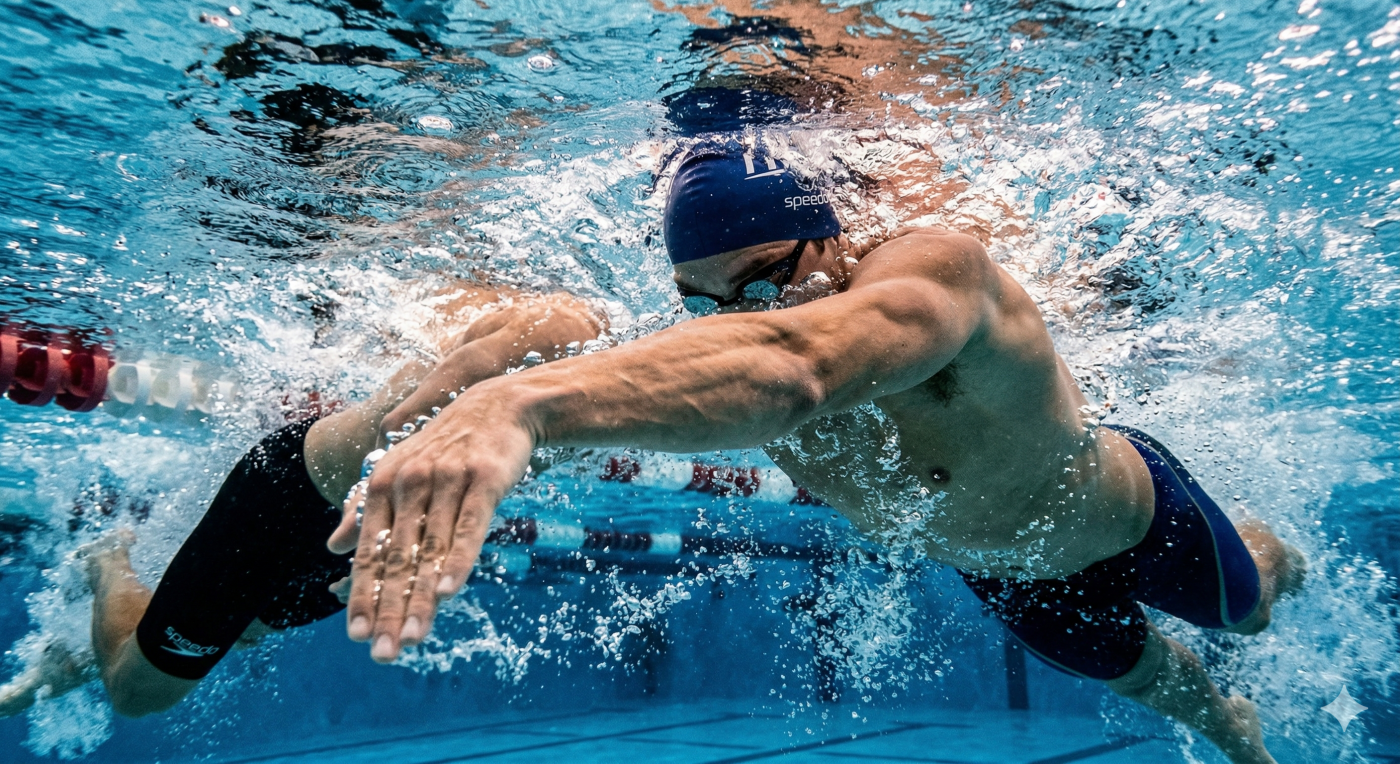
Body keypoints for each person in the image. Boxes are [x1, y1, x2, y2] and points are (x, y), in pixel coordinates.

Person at [341, 140, 1304, 764]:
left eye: (761, 284)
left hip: (1128, 520)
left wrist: (528, 407)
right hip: (1005, 575)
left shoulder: (936, 277)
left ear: (829, 241)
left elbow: (800, 363)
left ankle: (1271, 547)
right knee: (1170, 694)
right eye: (702, 306)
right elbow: (692, 377)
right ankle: (1239, 734)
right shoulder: (731, 340)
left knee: (1249, 613)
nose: (735, 321)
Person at [0, 283, 604, 719]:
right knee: (138, 694)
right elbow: (425, 406)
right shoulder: (540, 320)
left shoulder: (622, 365)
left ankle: (43, 675)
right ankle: (108, 556)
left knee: (243, 629)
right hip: (296, 496)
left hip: (369, 528)